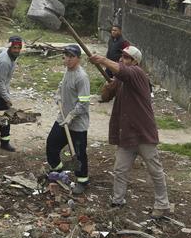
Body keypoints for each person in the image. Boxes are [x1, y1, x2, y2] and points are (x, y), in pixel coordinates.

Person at [90, 45, 171, 218]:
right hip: (126, 133)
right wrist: (108, 87)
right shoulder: (121, 78)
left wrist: (103, 60)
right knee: (120, 169)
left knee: (155, 170)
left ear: (135, 62)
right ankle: (118, 200)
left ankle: (162, 204)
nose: (121, 59)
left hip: (143, 133)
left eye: (126, 58)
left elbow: (124, 72)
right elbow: (105, 97)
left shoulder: (137, 73)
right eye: (121, 57)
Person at [46, 45, 90, 194]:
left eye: (72, 56)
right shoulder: (67, 71)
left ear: (78, 58)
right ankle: (58, 171)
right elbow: (62, 84)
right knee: (51, 144)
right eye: (67, 56)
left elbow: (83, 103)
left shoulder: (81, 77)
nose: (69, 59)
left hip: (77, 123)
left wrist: (72, 115)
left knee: (78, 154)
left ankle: (82, 180)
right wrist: (58, 93)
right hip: (63, 119)